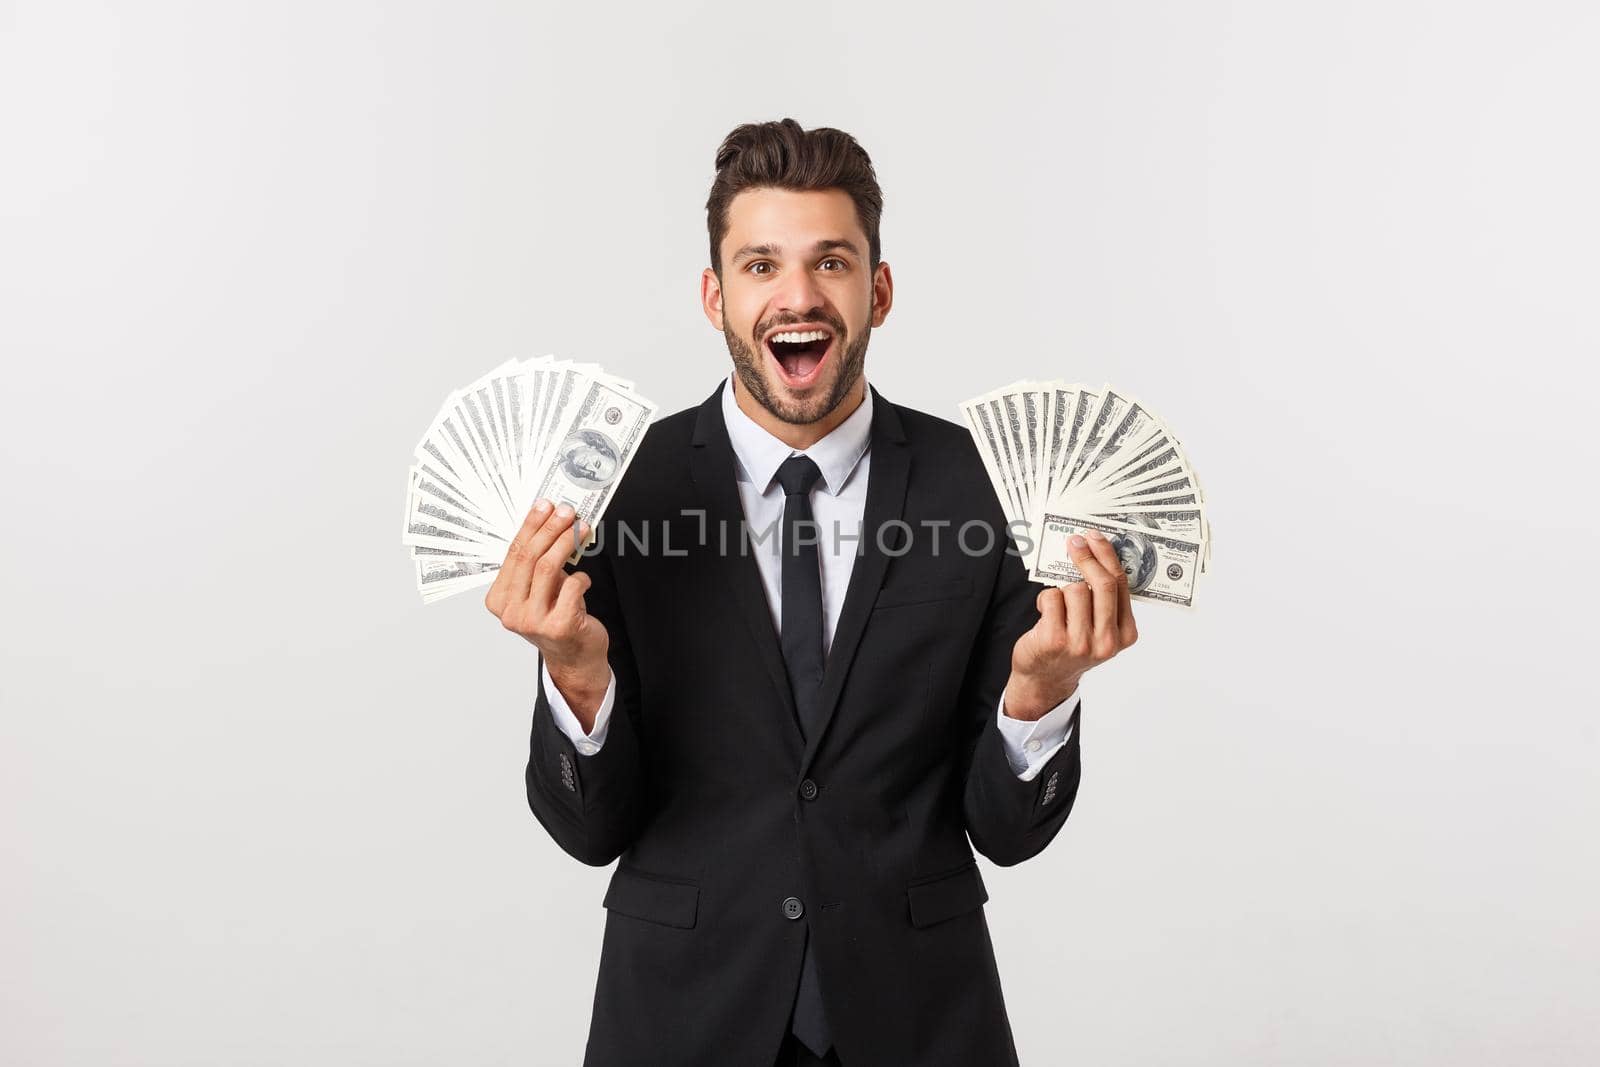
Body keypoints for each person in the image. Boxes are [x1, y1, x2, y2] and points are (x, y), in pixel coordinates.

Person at [484, 118, 1139, 1067]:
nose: (798, 295)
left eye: (831, 262)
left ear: (878, 289)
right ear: (715, 296)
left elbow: (1006, 832)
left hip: (921, 1022)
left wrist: (1037, 698)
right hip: (680, 1021)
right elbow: (590, 831)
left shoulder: (984, 486)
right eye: (760, 265)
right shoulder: (616, 488)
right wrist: (577, 678)